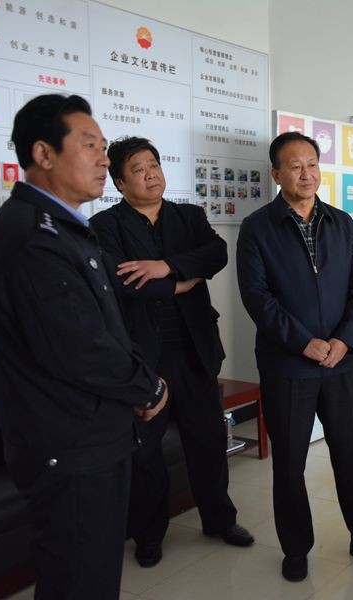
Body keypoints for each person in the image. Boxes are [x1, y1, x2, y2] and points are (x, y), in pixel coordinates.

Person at [0, 94, 169, 599]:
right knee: (80, 581)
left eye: (103, 147)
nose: (103, 160)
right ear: (43, 154)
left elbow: (105, 328)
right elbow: (80, 346)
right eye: (89, 146)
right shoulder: (32, 236)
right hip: (69, 442)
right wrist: (147, 388)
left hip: (92, 433)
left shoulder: (63, 228)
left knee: (93, 575)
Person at [237, 131, 353, 582]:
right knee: (290, 462)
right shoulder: (258, 228)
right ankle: (296, 548)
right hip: (288, 366)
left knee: (352, 456)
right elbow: (257, 297)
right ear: (277, 174)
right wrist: (303, 342)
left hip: (339, 363)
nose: (306, 174)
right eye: (295, 166)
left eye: (312, 164)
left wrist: (344, 340)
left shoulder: (341, 222)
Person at [90, 136, 253, 568]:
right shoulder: (105, 225)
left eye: (154, 165)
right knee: (146, 453)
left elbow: (216, 253)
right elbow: (120, 282)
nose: (150, 174)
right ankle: (148, 535)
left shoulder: (188, 216)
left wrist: (166, 267)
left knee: (209, 441)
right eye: (138, 169)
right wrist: (181, 283)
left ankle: (219, 520)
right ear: (120, 183)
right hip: (144, 358)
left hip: (195, 350)